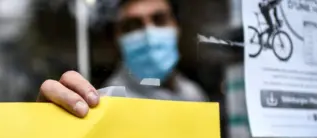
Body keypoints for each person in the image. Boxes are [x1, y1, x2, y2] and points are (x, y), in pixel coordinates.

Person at [37, 0, 208, 118]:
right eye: (133, 25)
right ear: (116, 38)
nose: (149, 33)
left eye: (159, 19)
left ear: (176, 27)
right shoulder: (103, 105)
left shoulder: (194, 94)